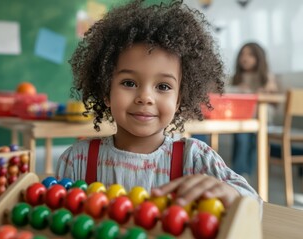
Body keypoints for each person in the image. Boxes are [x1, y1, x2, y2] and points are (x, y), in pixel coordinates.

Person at [56, 0, 260, 208]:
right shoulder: (77, 161)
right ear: (106, 90)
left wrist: (231, 194)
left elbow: (255, 204)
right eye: (129, 83)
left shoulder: (195, 158)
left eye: (163, 86)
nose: (145, 97)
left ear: (179, 98)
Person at [230, 42, 278, 179]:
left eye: (250, 55)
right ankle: (238, 174)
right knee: (241, 138)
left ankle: (248, 173)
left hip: (263, 120)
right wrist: (238, 90)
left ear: (259, 57)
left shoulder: (267, 77)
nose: (245, 58)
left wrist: (266, 90)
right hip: (242, 118)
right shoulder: (237, 78)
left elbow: (274, 102)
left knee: (254, 142)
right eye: (242, 54)